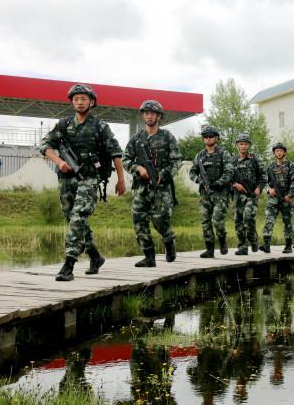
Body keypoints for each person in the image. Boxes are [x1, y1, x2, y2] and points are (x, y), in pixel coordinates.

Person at [39, 83, 126, 281]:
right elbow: (45, 145)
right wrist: (60, 162)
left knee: (78, 217)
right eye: (76, 99)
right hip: (66, 180)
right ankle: (95, 256)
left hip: (89, 179)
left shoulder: (100, 126)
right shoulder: (63, 125)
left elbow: (116, 153)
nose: (79, 102)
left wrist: (121, 179)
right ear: (72, 102)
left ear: (91, 102)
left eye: (83, 99)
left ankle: (68, 265)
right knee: (72, 218)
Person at [123, 100, 181, 267]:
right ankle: (149, 257)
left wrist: (163, 174)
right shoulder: (136, 139)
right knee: (139, 221)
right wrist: (138, 168)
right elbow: (126, 159)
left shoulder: (167, 137)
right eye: (146, 113)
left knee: (160, 220)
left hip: (161, 188)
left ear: (158, 116)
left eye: (152, 113)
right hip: (141, 188)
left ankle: (169, 241)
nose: (149, 116)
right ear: (143, 115)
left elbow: (176, 160)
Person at [189, 126, 234, 258]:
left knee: (217, 221)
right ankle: (209, 249)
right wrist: (198, 180)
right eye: (206, 137)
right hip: (205, 194)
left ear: (216, 138)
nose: (208, 139)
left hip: (220, 194)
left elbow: (229, 171)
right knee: (205, 222)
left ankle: (222, 239)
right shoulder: (200, 155)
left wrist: (218, 183)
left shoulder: (223, 154)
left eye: (211, 136)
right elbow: (192, 172)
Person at [261, 142, 294, 253]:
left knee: (287, 222)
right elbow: (264, 181)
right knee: (269, 220)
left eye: (281, 150)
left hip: (285, 198)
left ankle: (288, 245)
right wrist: (269, 190)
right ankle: (266, 245)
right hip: (273, 199)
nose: (279, 152)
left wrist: (289, 195)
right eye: (277, 150)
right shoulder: (270, 167)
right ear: (274, 153)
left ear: (284, 152)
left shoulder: (290, 165)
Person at [231, 133, 265, 255]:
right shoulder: (232, 161)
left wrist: (259, 188)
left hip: (252, 194)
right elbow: (226, 177)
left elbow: (263, 175)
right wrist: (235, 185)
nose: (243, 146)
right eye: (241, 144)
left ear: (249, 145)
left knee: (248, 217)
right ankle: (242, 247)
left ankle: (253, 239)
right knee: (238, 220)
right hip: (237, 196)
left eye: (245, 144)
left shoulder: (255, 159)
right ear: (237, 146)